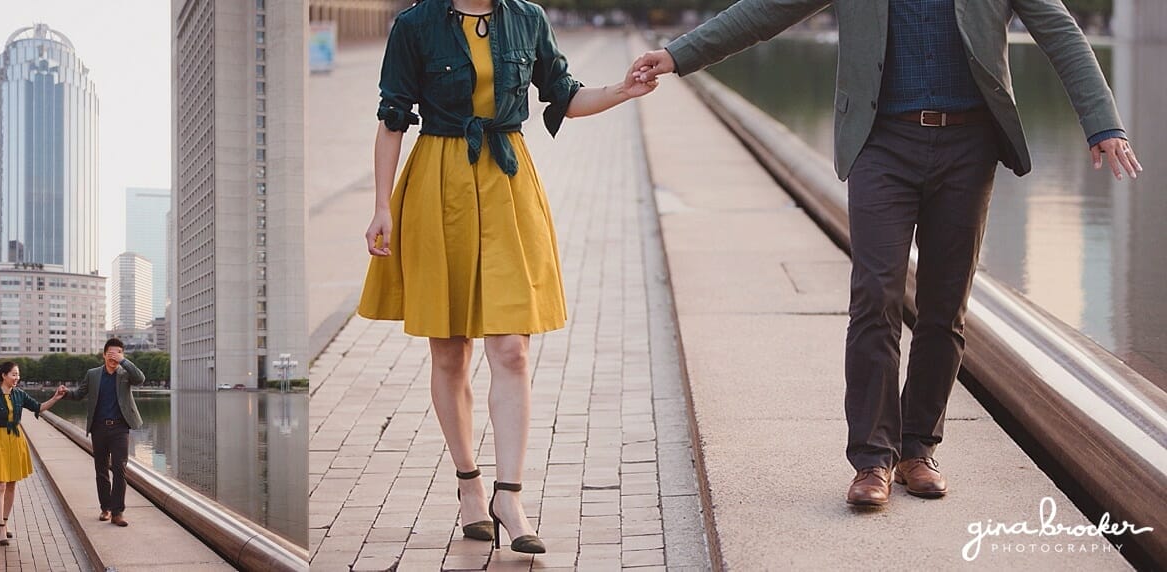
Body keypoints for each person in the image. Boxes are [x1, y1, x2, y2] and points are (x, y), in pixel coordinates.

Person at [631, 0, 1142, 507]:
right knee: (875, 295)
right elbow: (768, 10)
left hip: (970, 145)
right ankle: (873, 459)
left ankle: (918, 450)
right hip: (881, 142)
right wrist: (680, 55)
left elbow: (1061, 33)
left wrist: (1104, 124)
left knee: (945, 308)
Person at [356, 0, 657, 554]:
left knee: (512, 349)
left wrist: (621, 91)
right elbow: (392, 117)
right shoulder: (414, 26)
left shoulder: (527, 18)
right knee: (449, 350)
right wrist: (382, 205)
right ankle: (470, 486)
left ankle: (510, 496)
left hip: (507, 179)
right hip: (437, 183)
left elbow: (563, 94)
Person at [58, 338, 145, 526]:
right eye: (111, 353)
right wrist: (66, 393)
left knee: (120, 469)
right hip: (99, 428)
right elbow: (79, 394)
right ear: (104, 354)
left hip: (120, 427)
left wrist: (123, 361)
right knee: (101, 470)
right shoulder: (93, 374)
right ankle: (105, 508)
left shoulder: (125, 373)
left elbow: (140, 378)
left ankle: (118, 512)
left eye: (118, 353)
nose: (114, 356)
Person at [0, 361, 66, 546]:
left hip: (16, 440)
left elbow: (38, 407)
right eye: (14, 374)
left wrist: (56, 397)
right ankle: (0, 527)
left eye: (18, 375)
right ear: (4, 375)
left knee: (11, 485)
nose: (17, 378)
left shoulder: (20, 394)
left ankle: (5, 522)